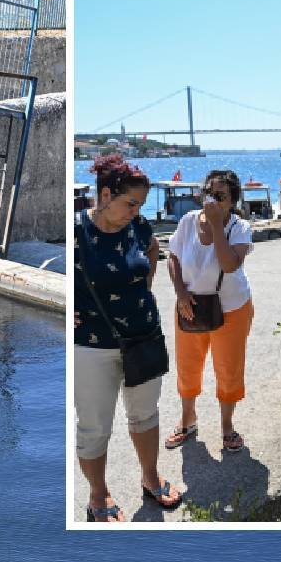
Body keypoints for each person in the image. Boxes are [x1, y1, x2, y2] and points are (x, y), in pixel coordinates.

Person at [74, 154, 181, 521]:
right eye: (129, 203)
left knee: (145, 414)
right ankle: (98, 495)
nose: (135, 212)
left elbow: (153, 249)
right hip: (92, 345)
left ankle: (150, 478)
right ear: (105, 194)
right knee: (94, 426)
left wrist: (147, 283)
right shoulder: (76, 231)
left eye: (140, 205)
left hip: (144, 336)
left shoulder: (138, 226)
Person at [164, 169, 256, 456]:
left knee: (228, 368)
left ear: (232, 200)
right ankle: (187, 419)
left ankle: (227, 426)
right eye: (209, 194)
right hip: (190, 306)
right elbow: (173, 257)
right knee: (188, 365)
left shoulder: (239, 228)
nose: (213, 201)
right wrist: (180, 292)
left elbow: (230, 265)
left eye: (220, 196)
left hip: (232, 308)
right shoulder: (188, 221)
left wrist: (217, 225)